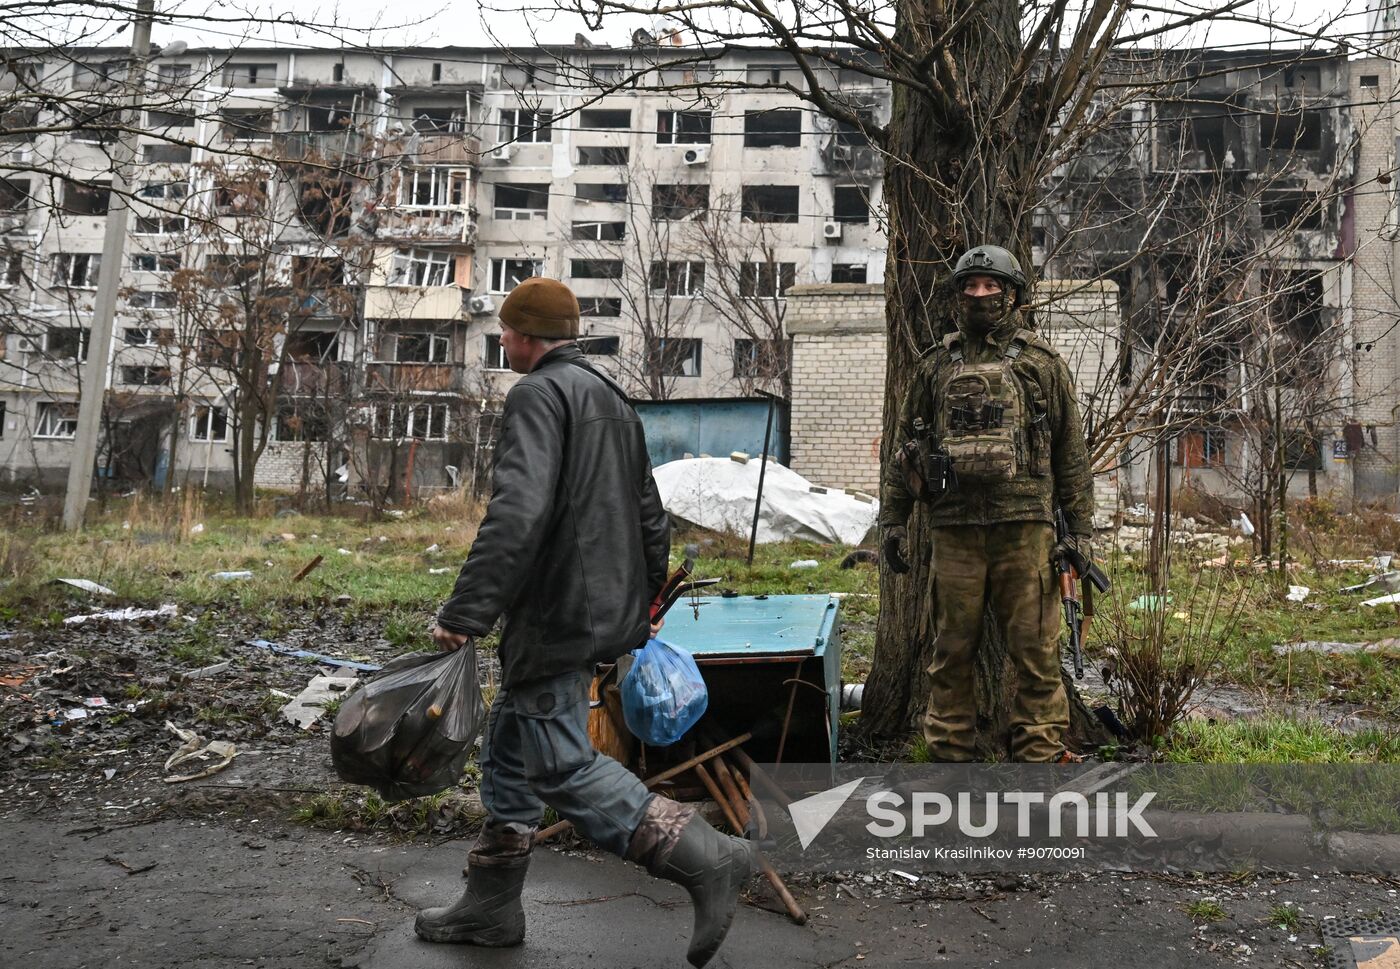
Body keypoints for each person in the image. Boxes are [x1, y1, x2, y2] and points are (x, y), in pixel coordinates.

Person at [419, 277, 752, 968]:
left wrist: (466, 611)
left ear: (525, 334)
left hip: (556, 614)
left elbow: (518, 511)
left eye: (506, 331)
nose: (502, 341)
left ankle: (706, 855)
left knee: (562, 763)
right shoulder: (610, 398)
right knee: (511, 750)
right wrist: (642, 604)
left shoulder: (537, 395)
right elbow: (649, 514)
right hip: (597, 615)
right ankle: (490, 905)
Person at [879, 245, 1095, 763]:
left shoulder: (1042, 365)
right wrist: (892, 520)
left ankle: (1038, 768)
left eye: (990, 286)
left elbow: (1071, 453)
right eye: (969, 287)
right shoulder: (933, 367)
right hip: (953, 532)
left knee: (1037, 657)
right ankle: (951, 766)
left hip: (1026, 531)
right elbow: (905, 447)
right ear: (957, 297)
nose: (979, 296)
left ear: (1013, 295)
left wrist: (1080, 534)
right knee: (950, 655)